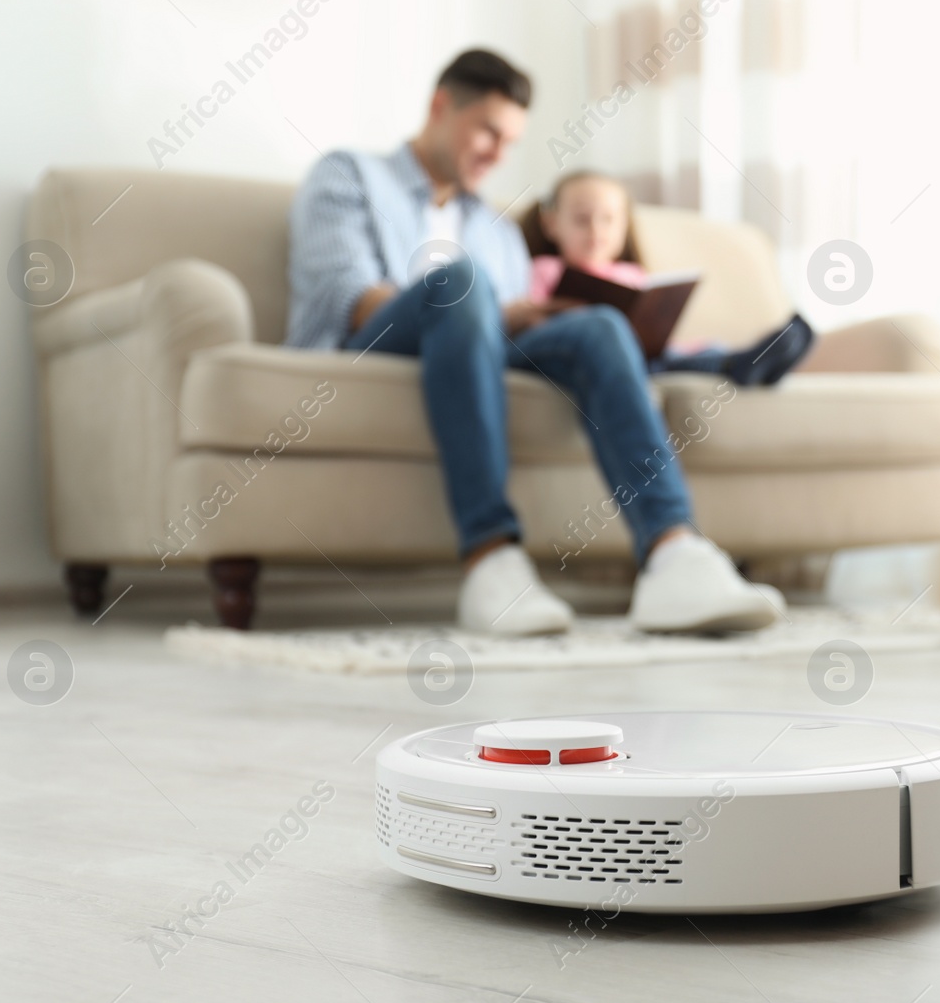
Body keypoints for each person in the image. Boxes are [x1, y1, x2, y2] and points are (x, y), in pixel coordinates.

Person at [286, 49, 780, 637]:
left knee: (597, 326)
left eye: (511, 142)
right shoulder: (350, 175)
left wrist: (531, 317)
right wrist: (483, 307)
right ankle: (491, 558)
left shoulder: (494, 228)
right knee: (460, 282)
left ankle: (674, 553)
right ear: (441, 107)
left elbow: (505, 326)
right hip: (375, 345)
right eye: (488, 132)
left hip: (479, 348)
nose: (498, 154)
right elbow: (349, 297)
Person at [521, 170, 814, 384]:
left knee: (702, 349)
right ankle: (741, 366)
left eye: (608, 219)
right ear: (551, 224)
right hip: (606, 361)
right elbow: (532, 321)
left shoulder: (632, 274)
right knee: (663, 367)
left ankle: (750, 357)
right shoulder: (546, 270)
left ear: (624, 225)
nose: (596, 231)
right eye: (582, 220)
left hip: (651, 353)